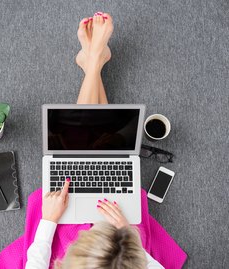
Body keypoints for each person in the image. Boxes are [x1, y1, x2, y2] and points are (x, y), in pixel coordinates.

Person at [25, 12, 165, 269]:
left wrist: (48, 221)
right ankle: (93, 61)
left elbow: (35, 261)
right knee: (102, 149)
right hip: (120, 239)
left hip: (65, 228)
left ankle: (93, 61)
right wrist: (126, 235)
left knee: (83, 155)